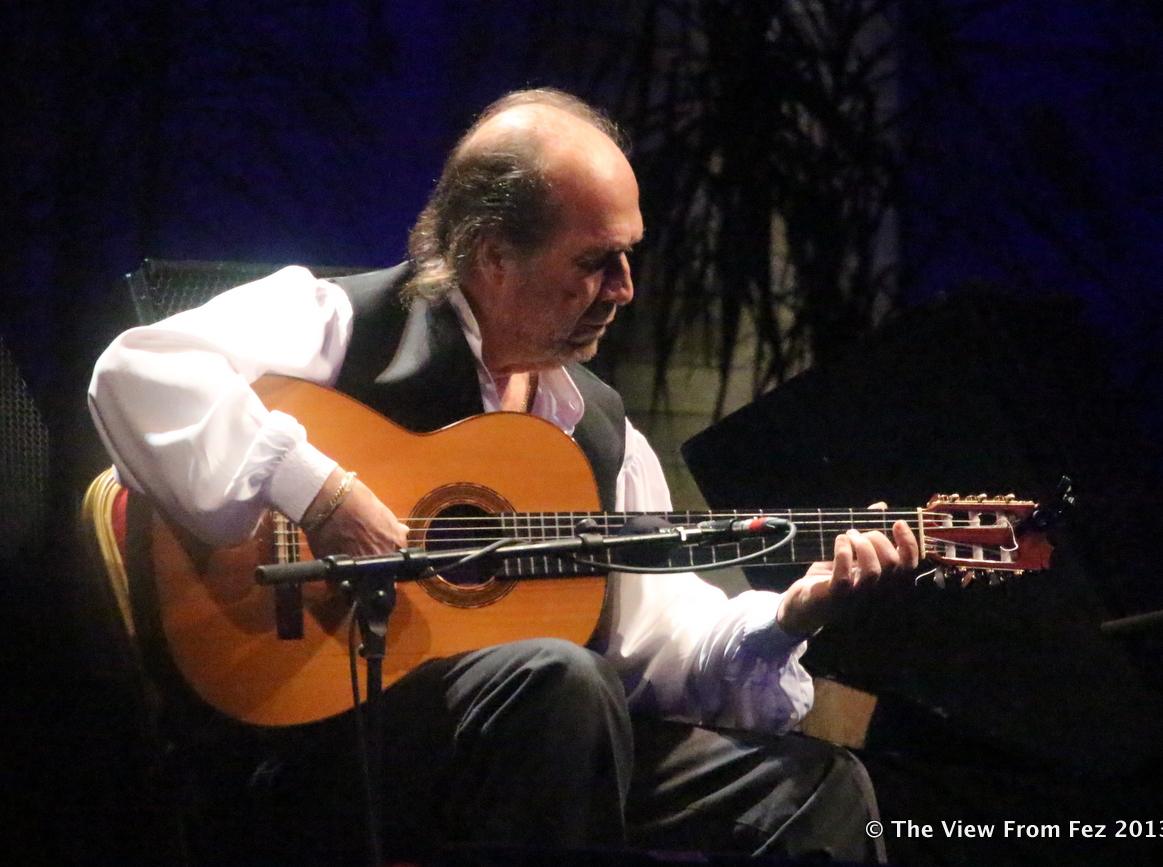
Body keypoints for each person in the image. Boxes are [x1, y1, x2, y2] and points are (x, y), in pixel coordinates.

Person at [89, 88, 918, 864]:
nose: (624, 290)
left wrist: (788, 618)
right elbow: (136, 373)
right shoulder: (346, 322)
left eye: (630, 257)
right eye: (596, 261)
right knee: (560, 682)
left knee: (815, 789)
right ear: (491, 256)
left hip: (544, 751)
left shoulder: (598, 431)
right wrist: (323, 492)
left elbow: (654, 644)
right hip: (315, 751)